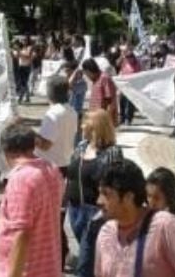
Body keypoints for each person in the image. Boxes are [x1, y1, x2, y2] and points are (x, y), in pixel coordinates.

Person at [94, 159, 175, 277]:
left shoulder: (165, 226)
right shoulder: (105, 233)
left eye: (106, 194)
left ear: (128, 197)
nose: (99, 201)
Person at [0, 124, 63, 277]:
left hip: (29, 270)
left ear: (7, 151)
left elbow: (22, 233)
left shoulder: (21, 179)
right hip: (48, 265)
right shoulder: (52, 168)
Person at [65, 109, 123, 277]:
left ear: (96, 127)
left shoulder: (112, 152)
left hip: (95, 212)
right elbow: (71, 176)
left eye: (86, 123)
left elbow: (116, 184)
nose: (81, 126)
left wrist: (104, 211)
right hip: (74, 209)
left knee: (84, 262)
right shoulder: (82, 146)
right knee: (91, 255)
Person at [34, 75, 78, 270]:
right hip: (64, 163)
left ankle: (58, 257)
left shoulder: (53, 114)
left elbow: (45, 144)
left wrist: (28, 134)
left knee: (52, 217)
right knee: (57, 215)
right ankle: (63, 252)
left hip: (52, 166)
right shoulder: (71, 111)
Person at [83, 58, 119, 127]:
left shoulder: (104, 78)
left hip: (103, 118)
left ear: (90, 70)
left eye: (87, 74)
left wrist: (107, 119)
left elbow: (109, 100)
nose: (87, 77)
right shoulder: (95, 80)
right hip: (95, 117)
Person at [117, 48, 141, 125]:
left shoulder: (137, 65)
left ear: (133, 57)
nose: (128, 59)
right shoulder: (124, 62)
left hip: (132, 86)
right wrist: (122, 56)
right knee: (122, 102)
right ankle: (122, 118)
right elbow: (117, 65)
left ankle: (128, 118)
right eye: (127, 57)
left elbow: (139, 75)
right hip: (123, 85)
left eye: (130, 57)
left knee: (130, 103)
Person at [16, 38, 34, 104]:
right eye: (22, 41)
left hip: (26, 67)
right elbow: (17, 57)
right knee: (23, 83)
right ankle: (27, 97)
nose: (23, 42)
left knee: (24, 83)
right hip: (21, 66)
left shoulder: (30, 48)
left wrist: (19, 53)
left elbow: (28, 56)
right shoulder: (22, 48)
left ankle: (21, 98)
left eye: (24, 40)